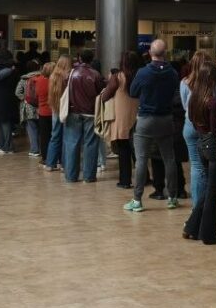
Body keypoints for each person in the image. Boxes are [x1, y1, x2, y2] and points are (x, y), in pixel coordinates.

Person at [126, 39, 182, 212]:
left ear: (150, 52)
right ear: (165, 53)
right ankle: (172, 197)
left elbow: (133, 92)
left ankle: (137, 200)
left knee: (142, 160)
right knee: (169, 159)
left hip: (146, 119)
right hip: (166, 119)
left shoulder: (143, 72)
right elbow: (175, 93)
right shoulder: (172, 73)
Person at [182, 59, 216, 244]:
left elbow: (193, 120)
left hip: (200, 143)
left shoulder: (194, 98)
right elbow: (215, 130)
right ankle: (208, 234)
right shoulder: (212, 102)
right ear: (212, 79)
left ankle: (192, 226)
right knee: (212, 191)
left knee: (209, 188)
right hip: (212, 147)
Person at [63, 49, 106, 182]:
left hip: (73, 111)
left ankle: (71, 176)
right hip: (91, 113)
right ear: (91, 59)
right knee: (91, 144)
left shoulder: (71, 73)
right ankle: (89, 176)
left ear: (80, 58)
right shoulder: (95, 74)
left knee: (72, 144)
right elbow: (101, 92)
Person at [99, 51, 140, 189]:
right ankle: (144, 178)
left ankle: (125, 180)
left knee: (123, 149)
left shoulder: (118, 77)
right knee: (138, 149)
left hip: (121, 117)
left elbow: (105, 96)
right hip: (138, 115)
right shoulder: (140, 75)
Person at [180, 50, 211, 213]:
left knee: (196, 166)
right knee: (213, 165)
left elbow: (184, 105)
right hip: (207, 125)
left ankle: (197, 207)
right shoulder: (212, 83)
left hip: (189, 124)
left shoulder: (185, 82)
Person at [44, 56, 71, 171]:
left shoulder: (52, 76)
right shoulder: (67, 77)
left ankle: (50, 164)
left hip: (55, 108)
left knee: (54, 136)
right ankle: (64, 164)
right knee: (65, 137)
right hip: (65, 109)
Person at [16, 59, 42, 157]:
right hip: (41, 107)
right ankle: (43, 149)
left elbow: (17, 92)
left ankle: (34, 150)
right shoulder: (43, 77)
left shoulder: (24, 79)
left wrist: (25, 98)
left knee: (31, 129)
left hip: (28, 108)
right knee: (42, 130)